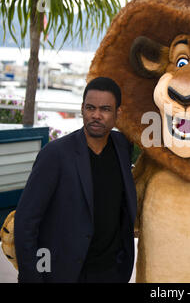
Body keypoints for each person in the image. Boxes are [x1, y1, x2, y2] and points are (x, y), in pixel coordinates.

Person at [14, 77, 137, 283]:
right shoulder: (55, 155)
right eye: (90, 108)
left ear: (118, 113)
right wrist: (32, 277)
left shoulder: (122, 146)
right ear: (82, 109)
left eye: (105, 109)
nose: (96, 115)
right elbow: (26, 222)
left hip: (111, 272)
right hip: (67, 274)